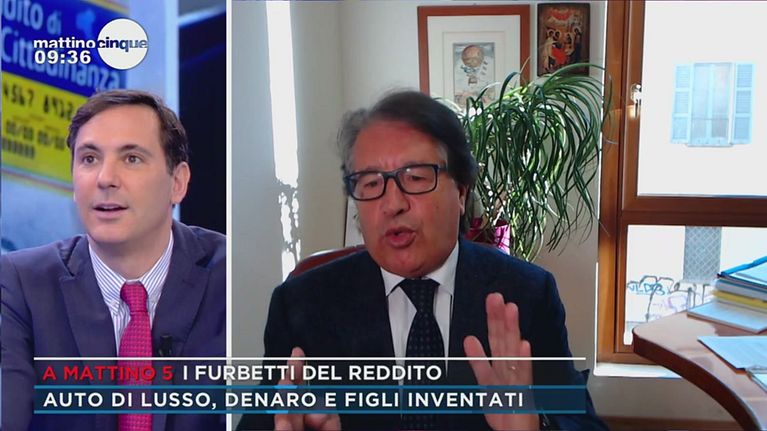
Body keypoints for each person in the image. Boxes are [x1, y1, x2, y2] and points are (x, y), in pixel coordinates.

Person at [236, 90, 606, 430]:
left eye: (415, 178)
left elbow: (579, 421)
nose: (392, 204)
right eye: (370, 183)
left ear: (461, 192)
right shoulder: (301, 305)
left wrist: (536, 426)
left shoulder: (526, 294)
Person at [1, 89, 226, 431]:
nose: (105, 179)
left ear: (177, 183)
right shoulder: (22, 283)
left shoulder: (228, 275)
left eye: (131, 158)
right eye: (89, 159)